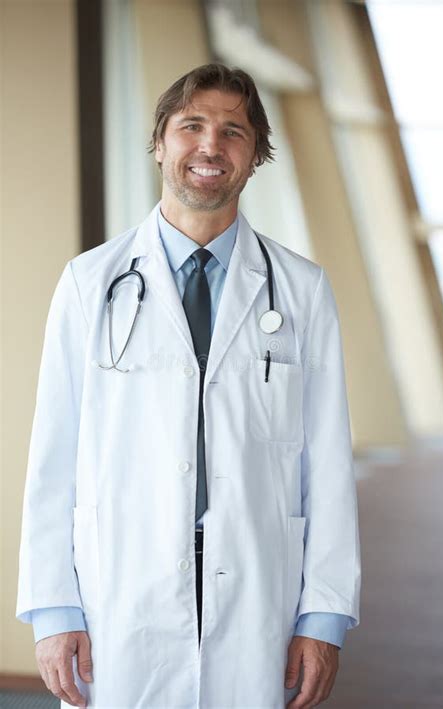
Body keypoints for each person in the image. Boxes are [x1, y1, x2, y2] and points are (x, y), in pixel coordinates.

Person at [16, 63, 361, 708]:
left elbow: (329, 464)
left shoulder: (302, 290)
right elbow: (53, 457)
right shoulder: (90, 284)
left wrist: (323, 616)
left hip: (257, 583)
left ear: (256, 154)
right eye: (192, 125)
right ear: (160, 141)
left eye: (234, 131)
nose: (210, 145)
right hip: (121, 586)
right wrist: (54, 608)